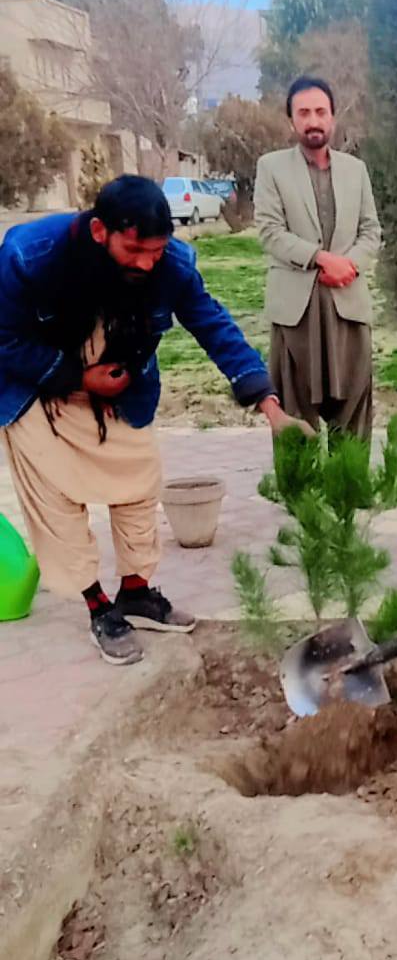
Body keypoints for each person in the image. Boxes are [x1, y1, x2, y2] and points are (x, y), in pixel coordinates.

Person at [0, 175, 292, 666]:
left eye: (155, 251)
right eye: (134, 250)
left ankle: (135, 594)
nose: (145, 263)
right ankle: (99, 608)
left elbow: (213, 324)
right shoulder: (29, 256)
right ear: (100, 231)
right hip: (40, 388)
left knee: (139, 482)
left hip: (120, 390)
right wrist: (77, 377)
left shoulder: (170, 266)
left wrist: (269, 403)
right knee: (57, 500)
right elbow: (3, 340)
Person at [254, 75, 381, 440]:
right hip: (296, 311)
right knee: (295, 420)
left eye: (320, 112)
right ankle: (300, 480)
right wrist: (322, 259)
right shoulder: (272, 167)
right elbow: (270, 231)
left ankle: (349, 478)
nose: (313, 121)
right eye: (304, 112)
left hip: (347, 306)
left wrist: (349, 264)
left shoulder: (355, 170)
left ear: (333, 117)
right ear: (291, 120)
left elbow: (371, 230)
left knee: (353, 422)